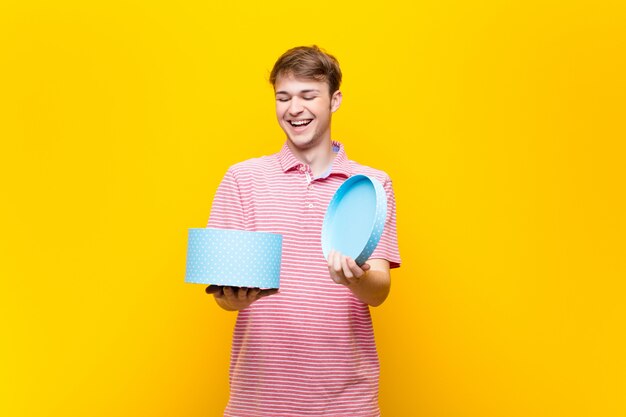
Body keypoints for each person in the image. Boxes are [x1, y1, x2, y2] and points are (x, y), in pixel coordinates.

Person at [205, 45, 401, 417]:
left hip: (346, 405)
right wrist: (235, 298)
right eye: (283, 97)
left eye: (308, 95)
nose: (294, 109)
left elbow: (379, 291)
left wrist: (353, 279)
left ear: (335, 100)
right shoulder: (242, 180)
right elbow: (223, 295)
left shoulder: (372, 185)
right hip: (257, 403)